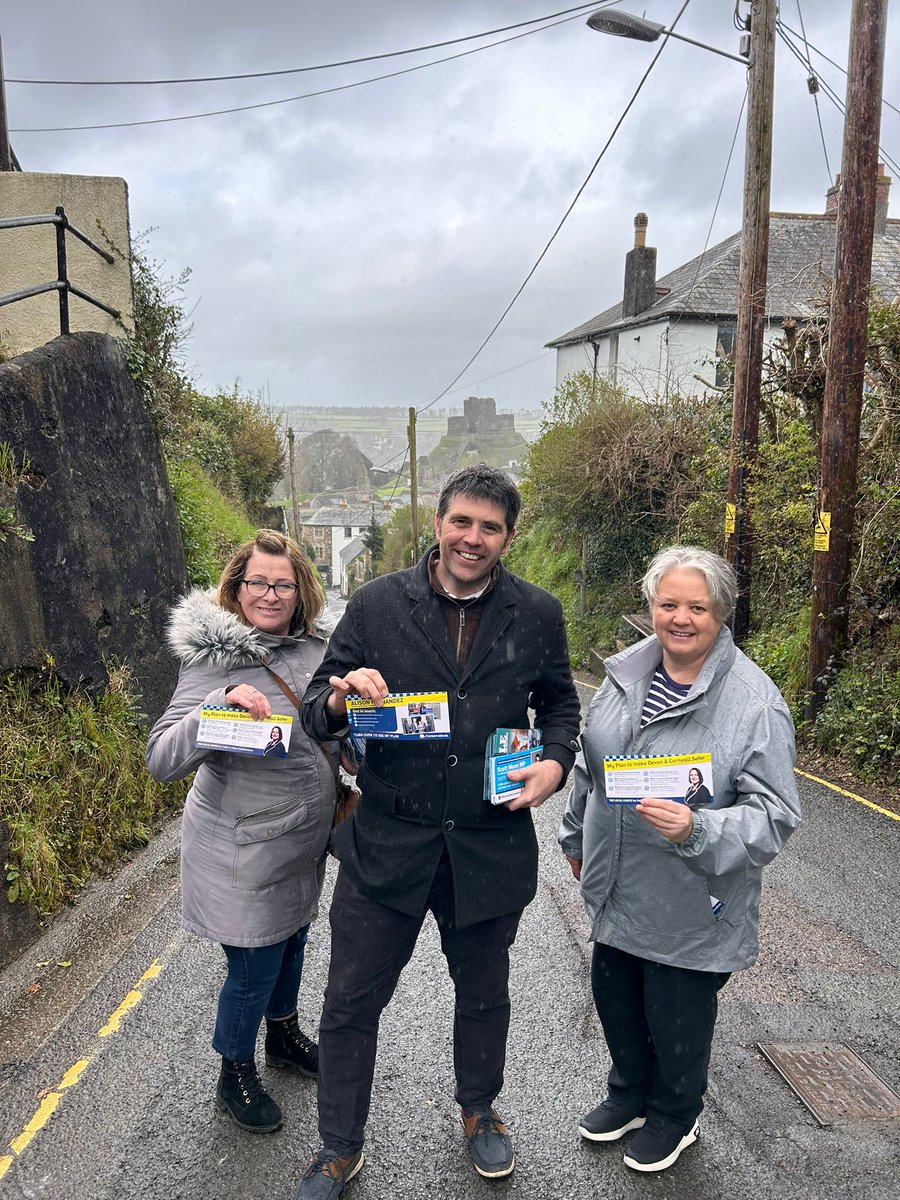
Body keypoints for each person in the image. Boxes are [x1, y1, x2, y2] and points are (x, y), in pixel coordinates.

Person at [294, 464, 581, 1198]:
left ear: (508, 537)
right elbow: (314, 708)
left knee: (484, 994)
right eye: (462, 522)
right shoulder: (378, 603)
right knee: (352, 1000)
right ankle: (338, 1147)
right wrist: (339, 694)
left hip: (487, 845)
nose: (472, 538)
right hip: (388, 837)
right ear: (438, 524)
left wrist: (553, 765)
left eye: (489, 527)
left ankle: (480, 1111)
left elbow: (560, 709)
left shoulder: (538, 612)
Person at [559, 545, 801, 1174]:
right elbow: (592, 764)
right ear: (651, 608)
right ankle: (629, 1094)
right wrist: (574, 837)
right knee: (617, 998)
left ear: (721, 614)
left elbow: (775, 815)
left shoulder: (755, 703)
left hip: (693, 896)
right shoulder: (623, 679)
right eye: (669, 604)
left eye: (697, 606)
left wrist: (698, 827)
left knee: (676, 1014)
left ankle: (675, 1114)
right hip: (619, 882)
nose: (681, 618)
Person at [146, 530, 338, 1135]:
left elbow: (326, 737)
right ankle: (235, 1069)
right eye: (258, 582)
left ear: (300, 588)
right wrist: (219, 705)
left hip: (302, 843)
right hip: (240, 849)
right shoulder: (212, 660)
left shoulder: (316, 649)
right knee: (253, 967)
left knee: (294, 942)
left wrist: (355, 723)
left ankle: (282, 1037)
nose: (271, 594)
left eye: (283, 583)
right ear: (236, 587)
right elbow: (161, 759)